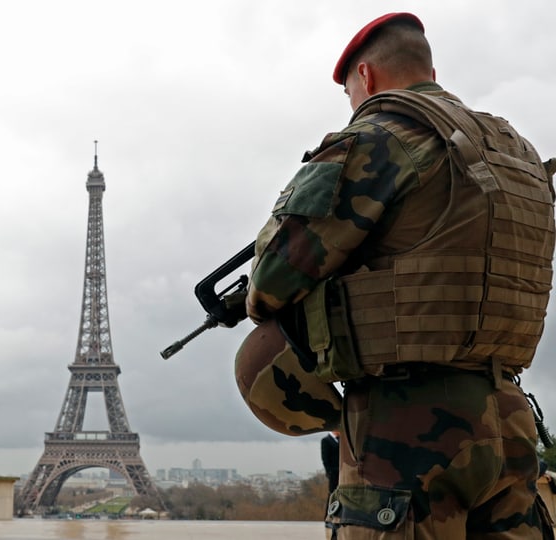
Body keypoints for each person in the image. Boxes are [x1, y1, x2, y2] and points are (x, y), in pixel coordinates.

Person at [232, 12, 554, 539]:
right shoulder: (514, 151)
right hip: (510, 422)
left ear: (367, 76)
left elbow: (270, 284)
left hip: (408, 432)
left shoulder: (380, 137)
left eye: (351, 94)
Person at [320, 431, 340, 540]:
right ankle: (328, 518)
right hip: (334, 474)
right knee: (332, 495)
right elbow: (325, 458)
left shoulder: (341, 441)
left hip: (342, 473)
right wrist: (330, 472)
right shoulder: (326, 441)